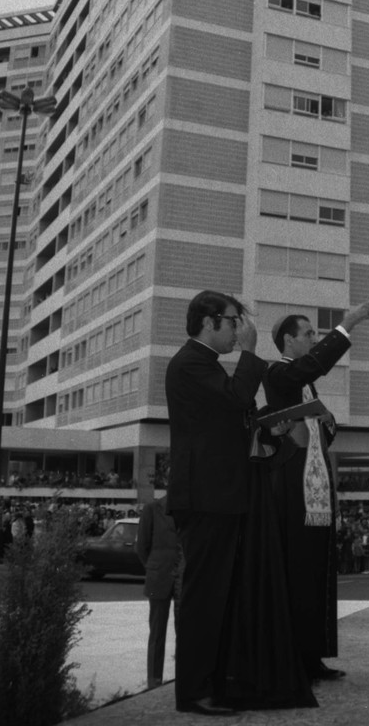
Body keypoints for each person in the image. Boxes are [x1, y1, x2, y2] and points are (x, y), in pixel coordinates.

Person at [167, 289, 313, 715]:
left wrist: (271, 430)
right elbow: (234, 398)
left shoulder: (207, 364)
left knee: (219, 596)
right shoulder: (190, 363)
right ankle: (193, 691)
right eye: (232, 322)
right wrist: (251, 353)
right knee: (203, 596)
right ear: (208, 322)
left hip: (222, 494)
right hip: (205, 497)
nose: (238, 330)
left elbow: (229, 421)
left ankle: (214, 681)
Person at [259, 300, 369, 682]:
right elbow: (313, 365)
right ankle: (292, 657)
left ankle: (312, 655)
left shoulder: (305, 384)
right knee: (297, 570)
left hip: (317, 484)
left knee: (317, 571)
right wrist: (347, 325)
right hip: (293, 484)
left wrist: (326, 419)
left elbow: (322, 431)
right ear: (288, 340)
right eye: (308, 333)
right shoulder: (277, 372)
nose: (313, 338)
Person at [135, 494, 183, 690]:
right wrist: (153, 568)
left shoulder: (189, 509)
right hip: (159, 577)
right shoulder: (152, 509)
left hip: (182, 577)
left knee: (184, 631)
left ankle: (183, 677)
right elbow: (141, 547)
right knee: (157, 632)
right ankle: (154, 680)